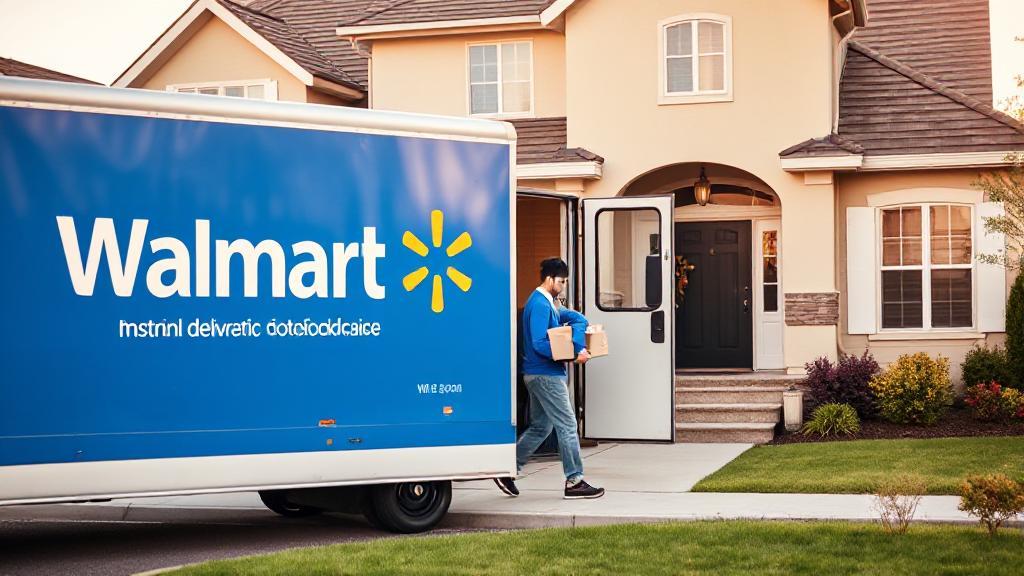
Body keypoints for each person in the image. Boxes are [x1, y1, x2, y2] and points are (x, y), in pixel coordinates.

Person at [495, 258, 605, 500]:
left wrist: (577, 330)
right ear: (549, 279)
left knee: (541, 427)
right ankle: (574, 481)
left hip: (539, 375)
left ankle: (507, 468)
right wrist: (573, 353)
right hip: (546, 376)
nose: (563, 286)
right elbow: (539, 342)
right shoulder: (539, 304)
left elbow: (575, 319)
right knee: (568, 425)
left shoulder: (546, 303)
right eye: (561, 282)